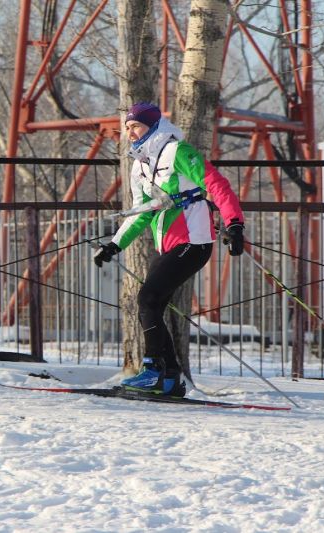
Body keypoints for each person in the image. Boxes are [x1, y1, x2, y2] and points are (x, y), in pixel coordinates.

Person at [93, 102, 245, 397]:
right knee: (151, 305)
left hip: (194, 241)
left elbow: (218, 186)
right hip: (170, 245)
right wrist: (114, 245)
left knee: (147, 298)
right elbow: (142, 213)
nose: (130, 133)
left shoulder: (178, 151)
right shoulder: (139, 165)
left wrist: (235, 224)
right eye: (127, 127)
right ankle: (171, 378)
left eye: (136, 126)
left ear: (154, 126)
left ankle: (152, 370)